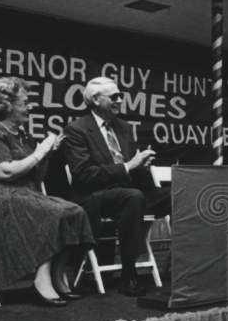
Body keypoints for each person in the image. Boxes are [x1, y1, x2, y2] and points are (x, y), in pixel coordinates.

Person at [0, 77, 94, 305]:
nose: (30, 107)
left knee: (73, 212)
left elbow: (37, 176)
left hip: (22, 192)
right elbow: (4, 172)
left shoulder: (22, 134)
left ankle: (57, 276)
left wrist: (46, 155)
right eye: (25, 102)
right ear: (6, 105)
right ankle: (41, 279)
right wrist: (40, 151)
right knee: (50, 212)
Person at [63, 77, 169, 297]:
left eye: (121, 95)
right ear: (95, 99)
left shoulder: (123, 128)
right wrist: (129, 165)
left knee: (179, 193)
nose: (121, 100)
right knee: (133, 196)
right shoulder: (77, 129)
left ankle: (184, 268)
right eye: (114, 96)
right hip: (95, 196)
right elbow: (84, 175)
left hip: (129, 193)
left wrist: (140, 165)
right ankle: (129, 275)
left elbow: (130, 169)